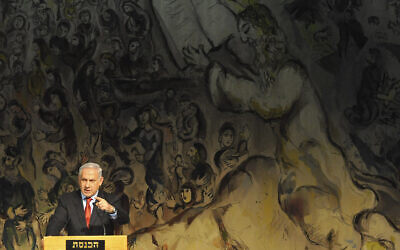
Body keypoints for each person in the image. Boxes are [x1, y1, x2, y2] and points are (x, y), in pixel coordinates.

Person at [45, 162, 129, 235]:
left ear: (100, 181)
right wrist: (49, 238)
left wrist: (111, 209)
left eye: (92, 181)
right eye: (84, 180)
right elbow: (56, 223)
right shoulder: (67, 200)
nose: (87, 185)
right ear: (79, 180)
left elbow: (124, 219)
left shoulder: (110, 199)